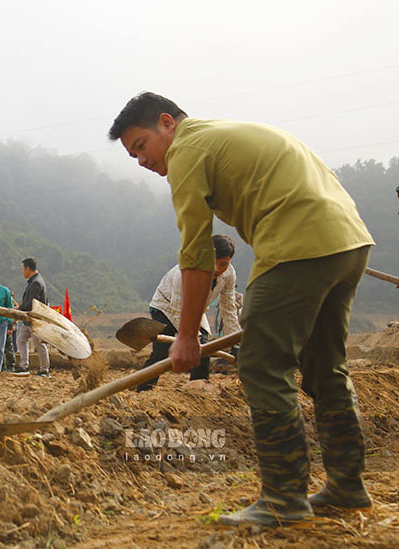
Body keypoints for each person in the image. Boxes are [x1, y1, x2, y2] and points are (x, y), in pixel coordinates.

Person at [109, 92, 375, 526]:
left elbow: (194, 254)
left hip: (298, 246)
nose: (140, 160)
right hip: (348, 241)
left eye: (140, 146)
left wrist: (188, 336)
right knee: (326, 366)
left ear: (166, 123)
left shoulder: (187, 151)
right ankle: (348, 485)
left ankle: (283, 499)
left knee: (263, 367)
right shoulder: (221, 136)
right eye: (132, 154)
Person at [136, 234, 240, 391]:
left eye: (223, 264)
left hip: (196, 309)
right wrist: (191, 338)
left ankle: (198, 387)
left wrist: (236, 345)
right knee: (161, 352)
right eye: (213, 263)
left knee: (205, 346)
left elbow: (228, 308)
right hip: (165, 307)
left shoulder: (229, 274)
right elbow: (178, 310)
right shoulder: (185, 273)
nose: (218, 269)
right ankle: (143, 390)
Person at [14, 258, 50, 377]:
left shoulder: (35, 283)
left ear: (28, 269)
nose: (22, 271)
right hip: (28, 319)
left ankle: (44, 370)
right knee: (21, 339)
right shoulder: (36, 281)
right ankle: (24, 366)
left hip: (35, 319)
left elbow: (31, 303)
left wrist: (19, 309)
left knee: (39, 344)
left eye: (23, 269)